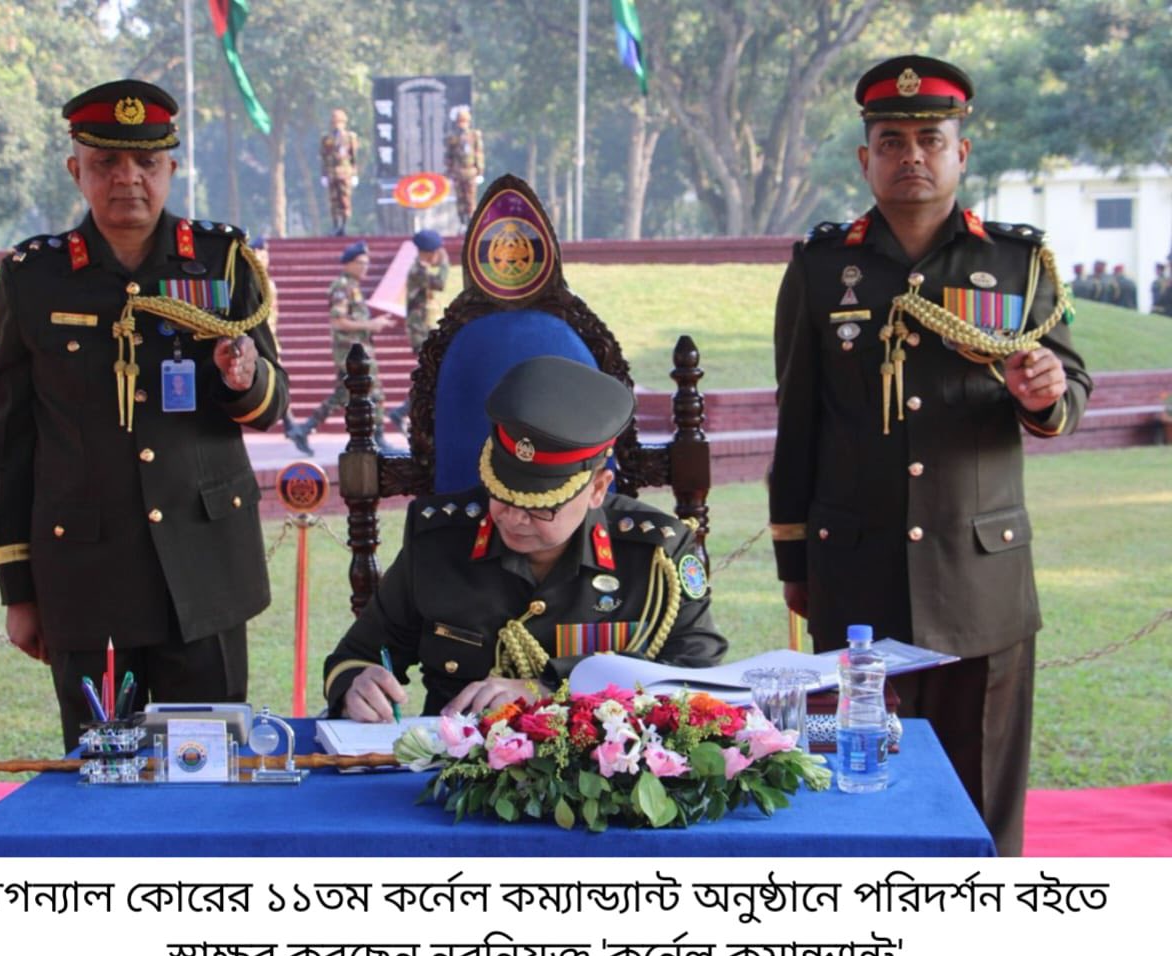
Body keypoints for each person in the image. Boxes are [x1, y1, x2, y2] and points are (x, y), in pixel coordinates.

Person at [767, 55, 1091, 856]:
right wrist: (797, 563)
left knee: (984, 803)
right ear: (865, 158)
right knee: (858, 783)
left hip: (981, 575)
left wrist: (1044, 392)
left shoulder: (1016, 262)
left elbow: (1066, 385)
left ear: (961, 152)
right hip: (856, 573)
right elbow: (797, 422)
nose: (911, 154)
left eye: (930, 139)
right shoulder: (821, 269)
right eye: (892, 140)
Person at [0, 79, 289, 751]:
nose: (128, 179)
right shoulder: (35, 276)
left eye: (146, 162)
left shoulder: (220, 260)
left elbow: (272, 404)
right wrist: (18, 589)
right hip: (86, 573)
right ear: (77, 171)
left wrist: (243, 378)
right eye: (106, 163)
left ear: (170, 168)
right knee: (101, 770)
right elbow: (9, 442)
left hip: (203, 566)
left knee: (203, 765)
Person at [324, 354, 727, 721]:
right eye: (502, 495)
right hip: (450, 763)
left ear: (597, 489)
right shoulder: (439, 539)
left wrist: (550, 690)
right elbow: (357, 655)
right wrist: (356, 686)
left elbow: (697, 674)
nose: (514, 518)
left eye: (541, 507)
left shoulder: (654, 553)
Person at [284, 240, 394, 454]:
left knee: (342, 395)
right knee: (375, 392)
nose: (365, 267)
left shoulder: (353, 287)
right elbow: (338, 322)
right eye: (361, 263)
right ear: (348, 264)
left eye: (367, 263)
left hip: (359, 351)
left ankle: (303, 430)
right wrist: (371, 324)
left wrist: (373, 325)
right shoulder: (342, 287)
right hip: (350, 354)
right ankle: (379, 438)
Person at [387, 229, 450, 434]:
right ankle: (402, 412)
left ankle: (403, 412)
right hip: (419, 332)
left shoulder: (421, 268)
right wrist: (445, 263)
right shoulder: (418, 270)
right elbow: (440, 283)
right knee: (431, 376)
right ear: (430, 252)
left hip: (424, 330)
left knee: (431, 376)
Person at [320, 108, 358, 236]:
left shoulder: (350, 137)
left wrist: (354, 174)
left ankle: (344, 225)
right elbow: (324, 158)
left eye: (339, 122)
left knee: (345, 200)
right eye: (334, 122)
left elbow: (353, 157)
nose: (337, 125)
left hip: (345, 173)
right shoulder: (327, 139)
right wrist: (324, 174)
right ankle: (336, 225)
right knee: (333, 201)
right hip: (332, 173)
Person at [444, 107, 484, 228]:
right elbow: (449, 156)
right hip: (458, 173)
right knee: (460, 199)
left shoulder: (474, 135)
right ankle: (462, 222)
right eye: (460, 121)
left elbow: (478, 153)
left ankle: (472, 222)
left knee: (470, 199)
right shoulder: (453, 138)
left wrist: (480, 171)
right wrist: (449, 172)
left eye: (464, 121)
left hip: (471, 172)